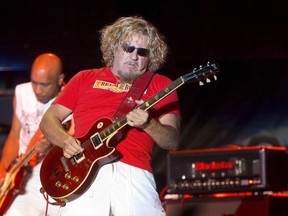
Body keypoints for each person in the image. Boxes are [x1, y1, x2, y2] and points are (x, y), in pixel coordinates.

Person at [40, 16, 181, 216]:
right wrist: (65, 141)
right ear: (114, 47)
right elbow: (48, 119)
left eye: (142, 52)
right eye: (128, 48)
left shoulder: (161, 85)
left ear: (151, 57)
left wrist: (149, 123)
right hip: (83, 175)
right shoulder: (84, 78)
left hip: (135, 176)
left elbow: (172, 140)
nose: (134, 56)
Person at [0, 53, 68, 216]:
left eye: (44, 85)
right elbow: (15, 135)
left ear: (60, 79)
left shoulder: (68, 100)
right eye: (34, 83)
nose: (38, 90)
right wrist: (3, 170)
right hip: (17, 172)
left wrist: (51, 146)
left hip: (48, 174)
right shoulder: (22, 92)